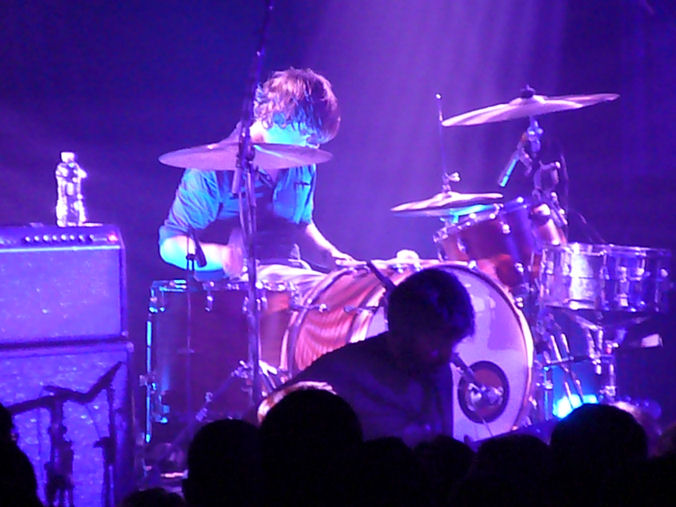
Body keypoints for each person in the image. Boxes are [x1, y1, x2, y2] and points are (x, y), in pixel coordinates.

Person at [159, 67, 353, 279]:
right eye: (308, 135)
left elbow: (300, 225)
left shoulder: (303, 163)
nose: (313, 146)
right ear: (281, 116)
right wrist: (221, 256)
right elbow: (170, 245)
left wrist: (331, 256)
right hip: (232, 288)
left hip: (290, 278)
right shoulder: (214, 169)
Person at [285, 267, 476, 446]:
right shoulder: (337, 375)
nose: (446, 355)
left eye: (452, 343)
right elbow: (270, 420)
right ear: (402, 331)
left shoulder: (436, 368)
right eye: (434, 343)